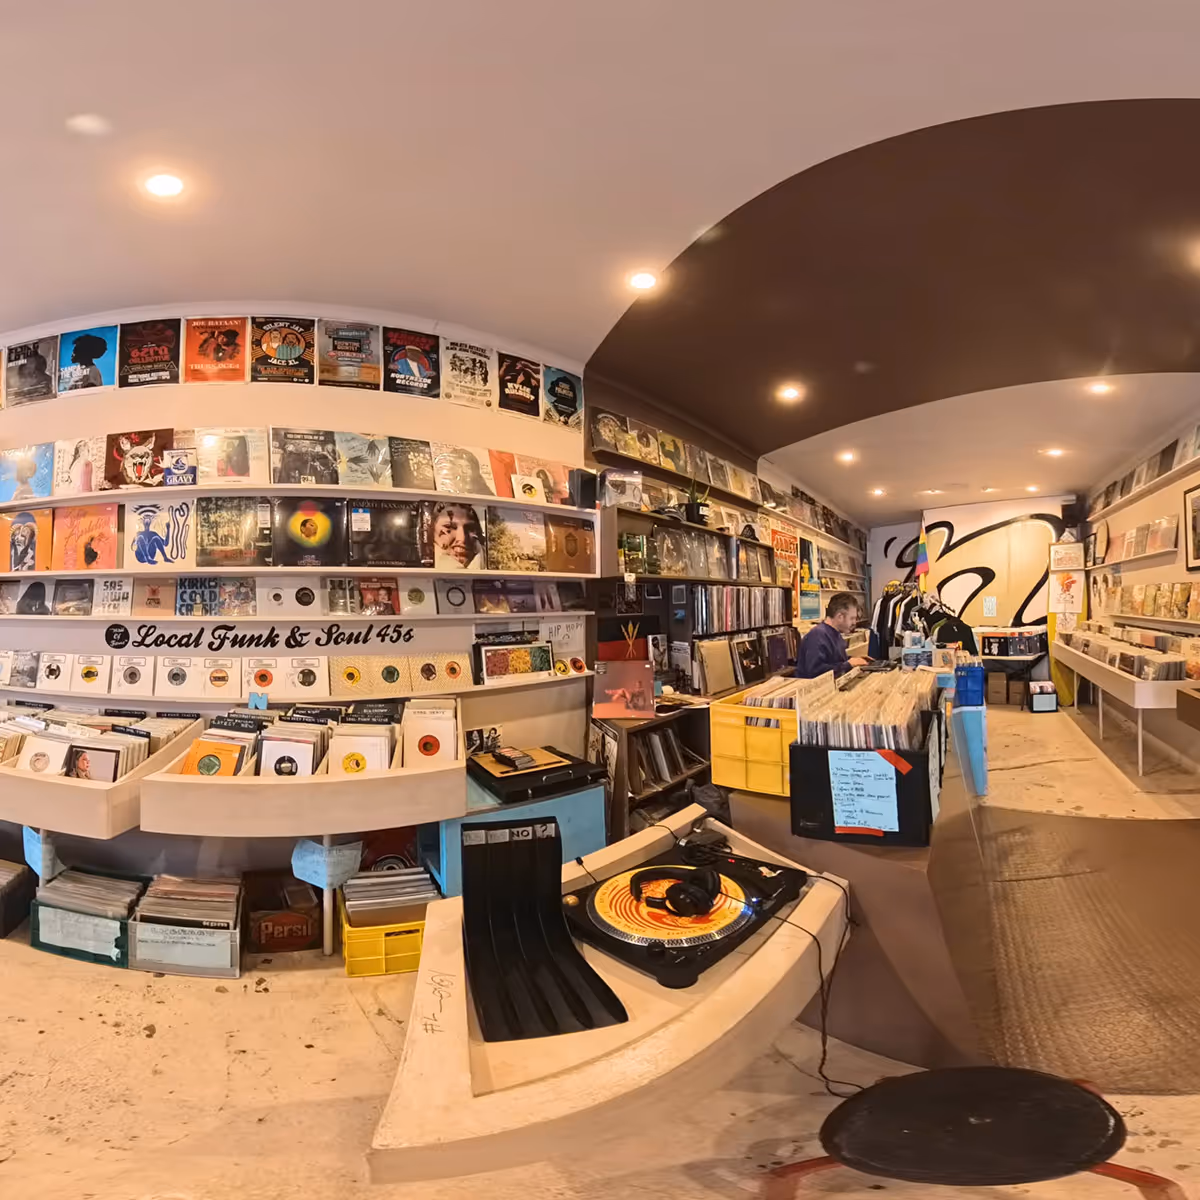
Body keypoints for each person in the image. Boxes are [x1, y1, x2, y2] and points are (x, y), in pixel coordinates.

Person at [795, 592, 869, 679]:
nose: (854, 623)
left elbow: (834, 661)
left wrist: (854, 659)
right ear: (840, 617)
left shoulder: (835, 634)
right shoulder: (816, 636)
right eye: (852, 618)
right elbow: (816, 672)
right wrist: (849, 664)